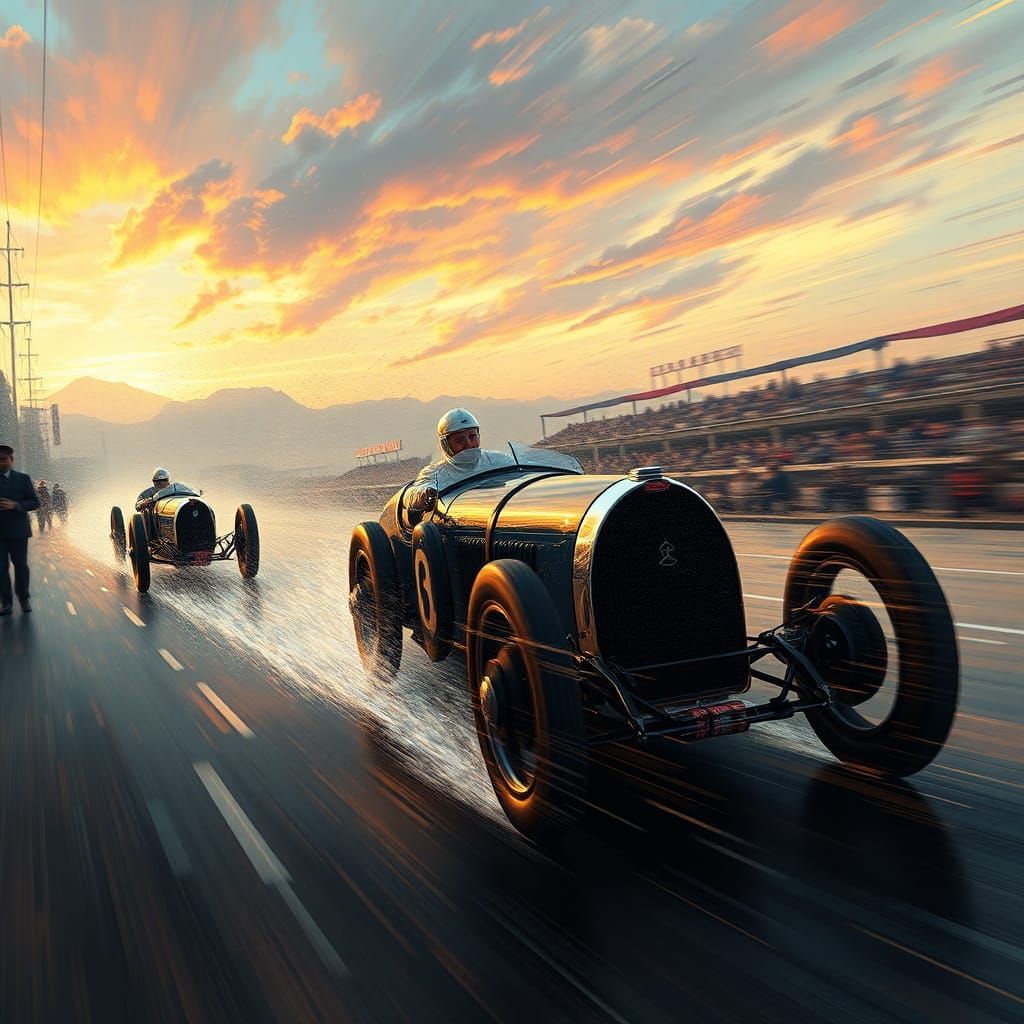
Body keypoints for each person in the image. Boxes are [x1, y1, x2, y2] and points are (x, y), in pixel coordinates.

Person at [407, 409, 515, 510]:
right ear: (445, 445)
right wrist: (425, 494)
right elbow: (411, 496)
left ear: (479, 436)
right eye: (459, 440)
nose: (468, 444)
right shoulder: (435, 473)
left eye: (472, 436)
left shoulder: (500, 461)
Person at [0, 442, 40, 615]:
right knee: (0, 569)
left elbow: (35, 502)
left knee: (21, 567)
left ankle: (24, 598)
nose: (1, 463)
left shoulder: (23, 479)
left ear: (11, 460)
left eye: (3, 459)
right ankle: (6, 602)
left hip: (18, 532)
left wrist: (16, 505)